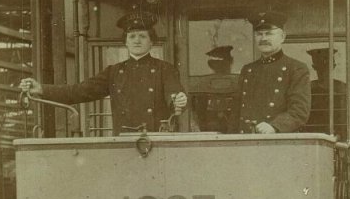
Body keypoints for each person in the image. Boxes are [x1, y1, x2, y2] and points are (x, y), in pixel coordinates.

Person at [18, 11, 187, 134]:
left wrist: (178, 102)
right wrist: (41, 89)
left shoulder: (165, 69)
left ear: (151, 42)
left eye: (142, 36)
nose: (137, 40)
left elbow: (174, 94)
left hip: (155, 142)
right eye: (132, 36)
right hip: (121, 144)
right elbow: (77, 91)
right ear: (125, 42)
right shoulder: (113, 72)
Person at [230, 11, 310, 133]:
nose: (263, 38)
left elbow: (299, 111)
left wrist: (275, 126)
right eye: (259, 34)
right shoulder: (248, 70)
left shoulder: (296, 69)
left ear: (282, 36)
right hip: (245, 141)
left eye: (269, 33)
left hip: (278, 143)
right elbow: (236, 112)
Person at [192, 45, 235, 132]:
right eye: (214, 64)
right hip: (208, 128)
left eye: (222, 63)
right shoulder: (202, 84)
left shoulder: (236, 82)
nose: (219, 67)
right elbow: (199, 112)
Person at [306, 47, 347, 137]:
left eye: (327, 64)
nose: (324, 69)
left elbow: (345, 118)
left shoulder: (342, 88)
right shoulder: (308, 88)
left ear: (334, 65)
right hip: (313, 136)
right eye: (320, 64)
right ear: (314, 67)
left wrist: (340, 134)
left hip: (338, 137)